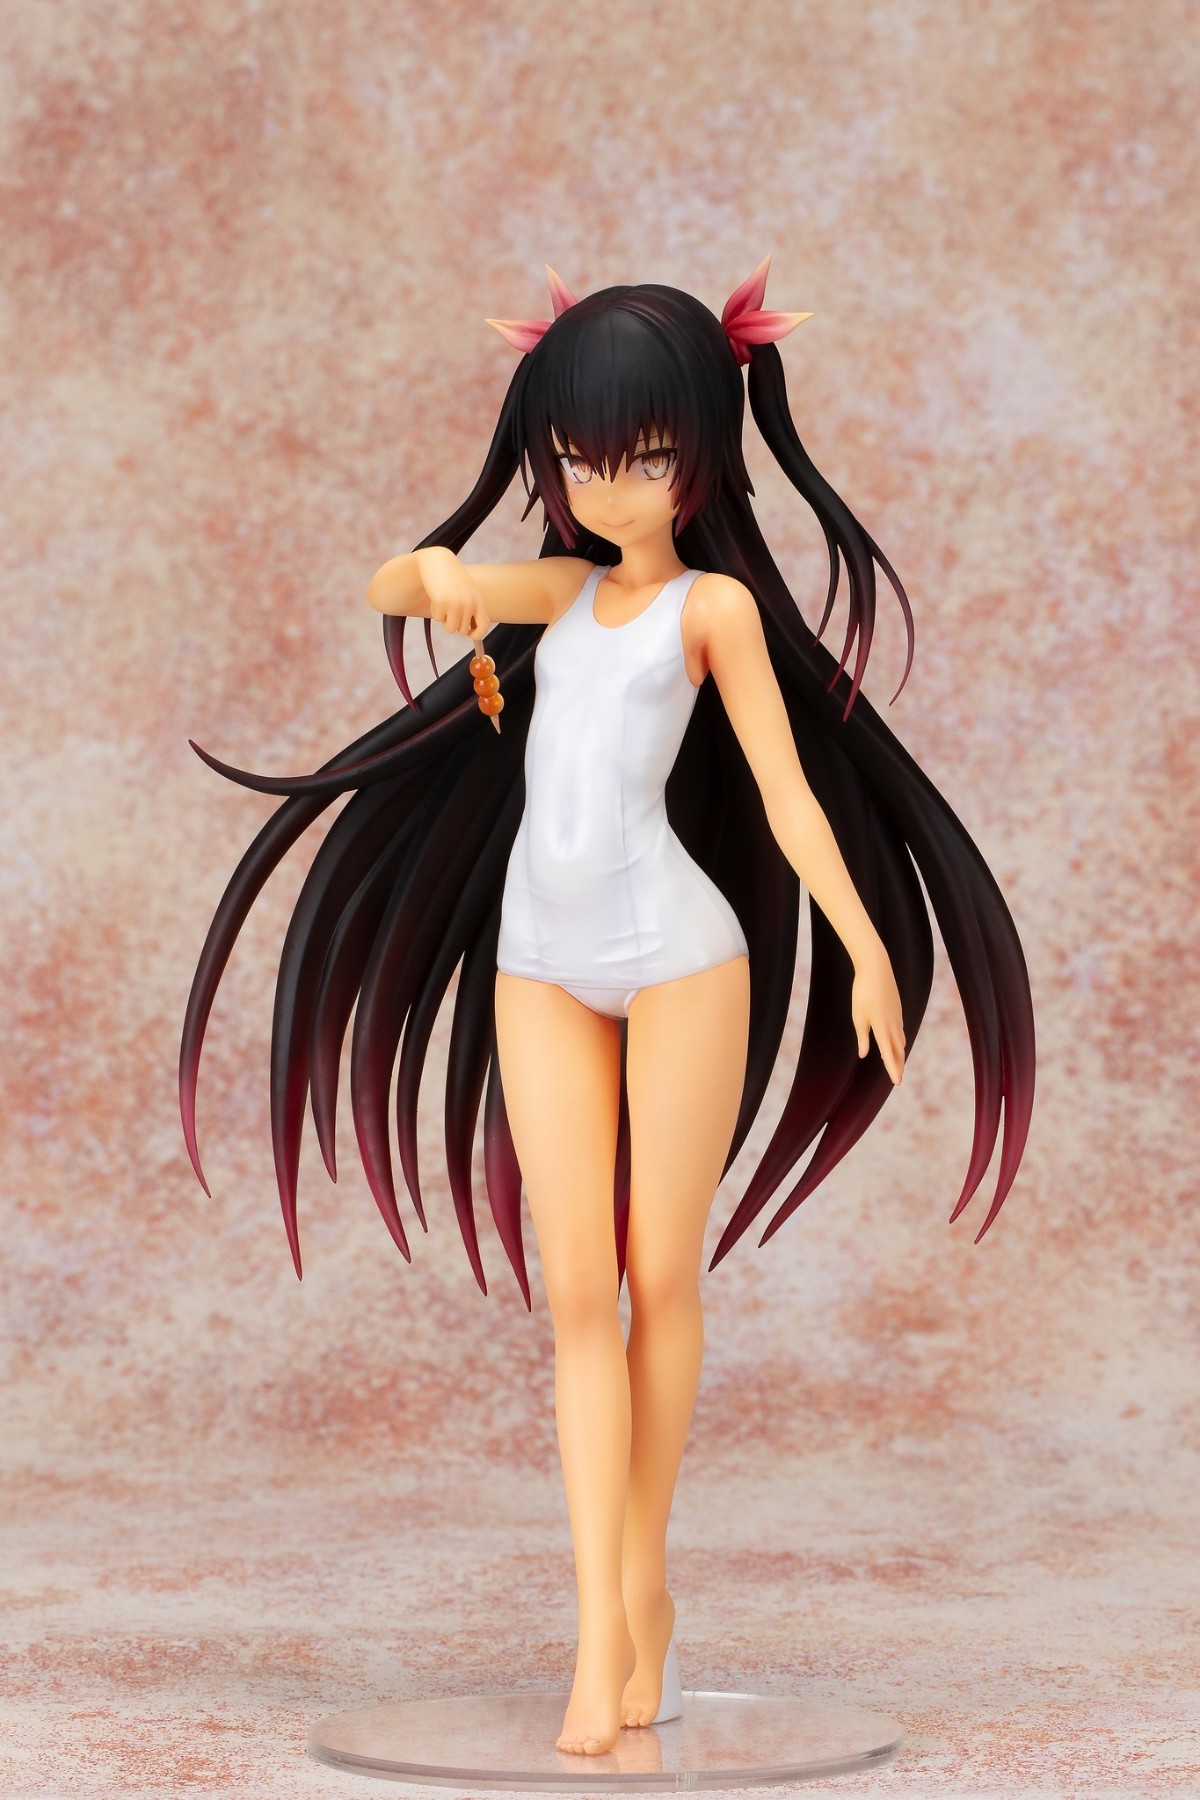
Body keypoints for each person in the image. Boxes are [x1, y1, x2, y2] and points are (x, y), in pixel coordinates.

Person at [181, 261, 1035, 1756]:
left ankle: (643, 1588)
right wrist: (437, 577)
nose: (609, 485)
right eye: (579, 458)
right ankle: (605, 1623)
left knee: (659, 1278)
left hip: (683, 958)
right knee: (578, 1297)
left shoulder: (713, 610)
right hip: (540, 966)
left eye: (644, 455)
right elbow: (393, 585)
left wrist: (863, 945)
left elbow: (784, 793)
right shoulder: (561, 595)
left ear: (704, 451)